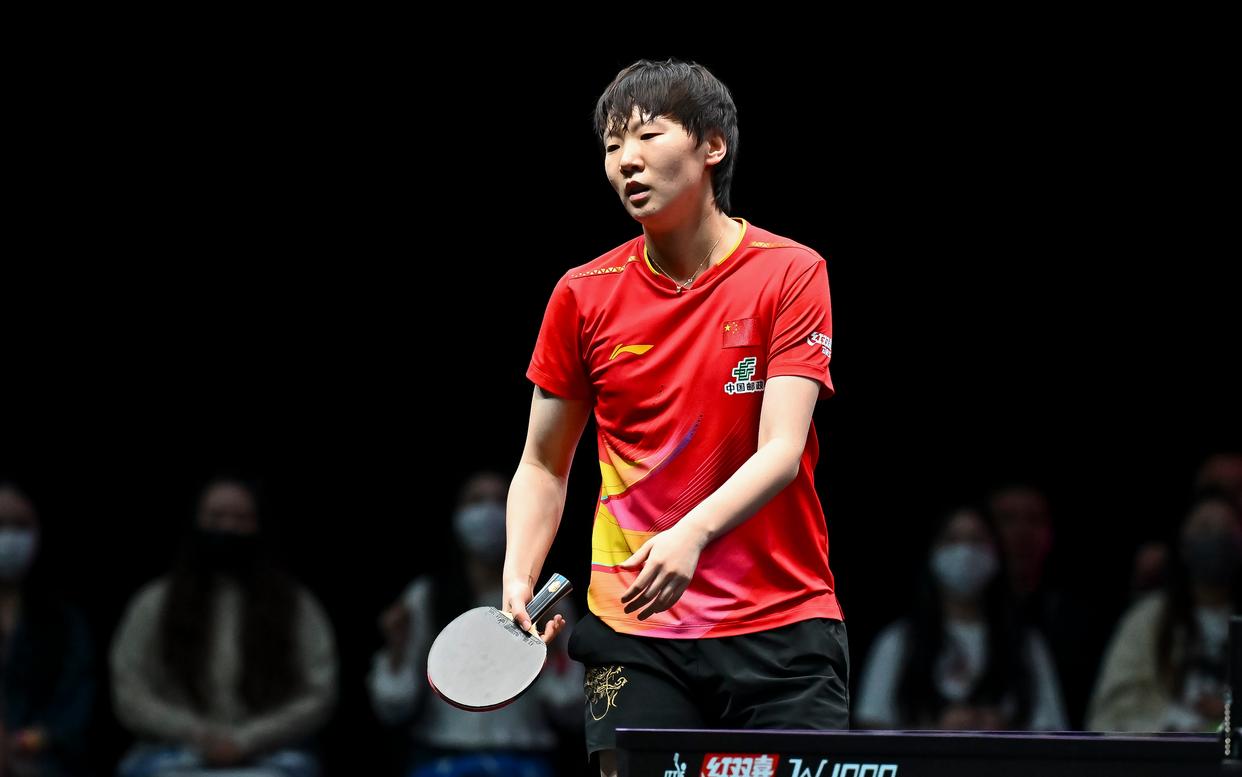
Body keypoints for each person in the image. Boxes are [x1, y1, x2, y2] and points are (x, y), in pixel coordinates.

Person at [502, 58, 848, 777]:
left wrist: (691, 532)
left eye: (647, 135)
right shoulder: (582, 294)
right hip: (635, 628)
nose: (625, 160)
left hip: (780, 623)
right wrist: (518, 572)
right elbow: (542, 464)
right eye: (610, 145)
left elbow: (782, 450)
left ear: (712, 145)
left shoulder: (789, 272)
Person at [111, 476, 337, 777]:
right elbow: (129, 691)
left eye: (241, 519)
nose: (228, 528)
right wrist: (198, 734)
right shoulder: (153, 604)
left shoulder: (297, 606)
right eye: (216, 518)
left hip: (273, 751)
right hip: (172, 750)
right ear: (195, 523)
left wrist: (246, 740)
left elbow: (319, 692)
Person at [367, 471, 581, 777]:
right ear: (456, 517)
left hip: (525, 761)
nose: (488, 512)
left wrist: (555, 647)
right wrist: (397, 647)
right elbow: (392, 706)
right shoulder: (425, 597)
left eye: (500, 501)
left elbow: (570, 708)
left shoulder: (547, 602)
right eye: (476, 500)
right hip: (439, 759)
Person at [854, 506, 1067, 730]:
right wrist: (935, 731)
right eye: (952, 540)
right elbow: (872, 725)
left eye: (977, 540)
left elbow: (1050, 730)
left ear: (996, 553)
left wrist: (1003, 732)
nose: (966, 552)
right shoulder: (898, 641)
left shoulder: (1026, 644)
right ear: (932, 553)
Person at [1088, 488, 1242, 732]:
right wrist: (1183, 724)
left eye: (1226, 529)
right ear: (1183, 544)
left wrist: (1229, 713)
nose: (1216, 537)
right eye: (1205, 528)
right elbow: (1114, 708)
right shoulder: (1148, 619)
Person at [0, 481, 94, 777]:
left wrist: (23, 742)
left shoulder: (64, 621)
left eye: (20, 526)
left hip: (41, 763)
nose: (9, 538)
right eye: (0, 525)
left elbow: (75, 707)